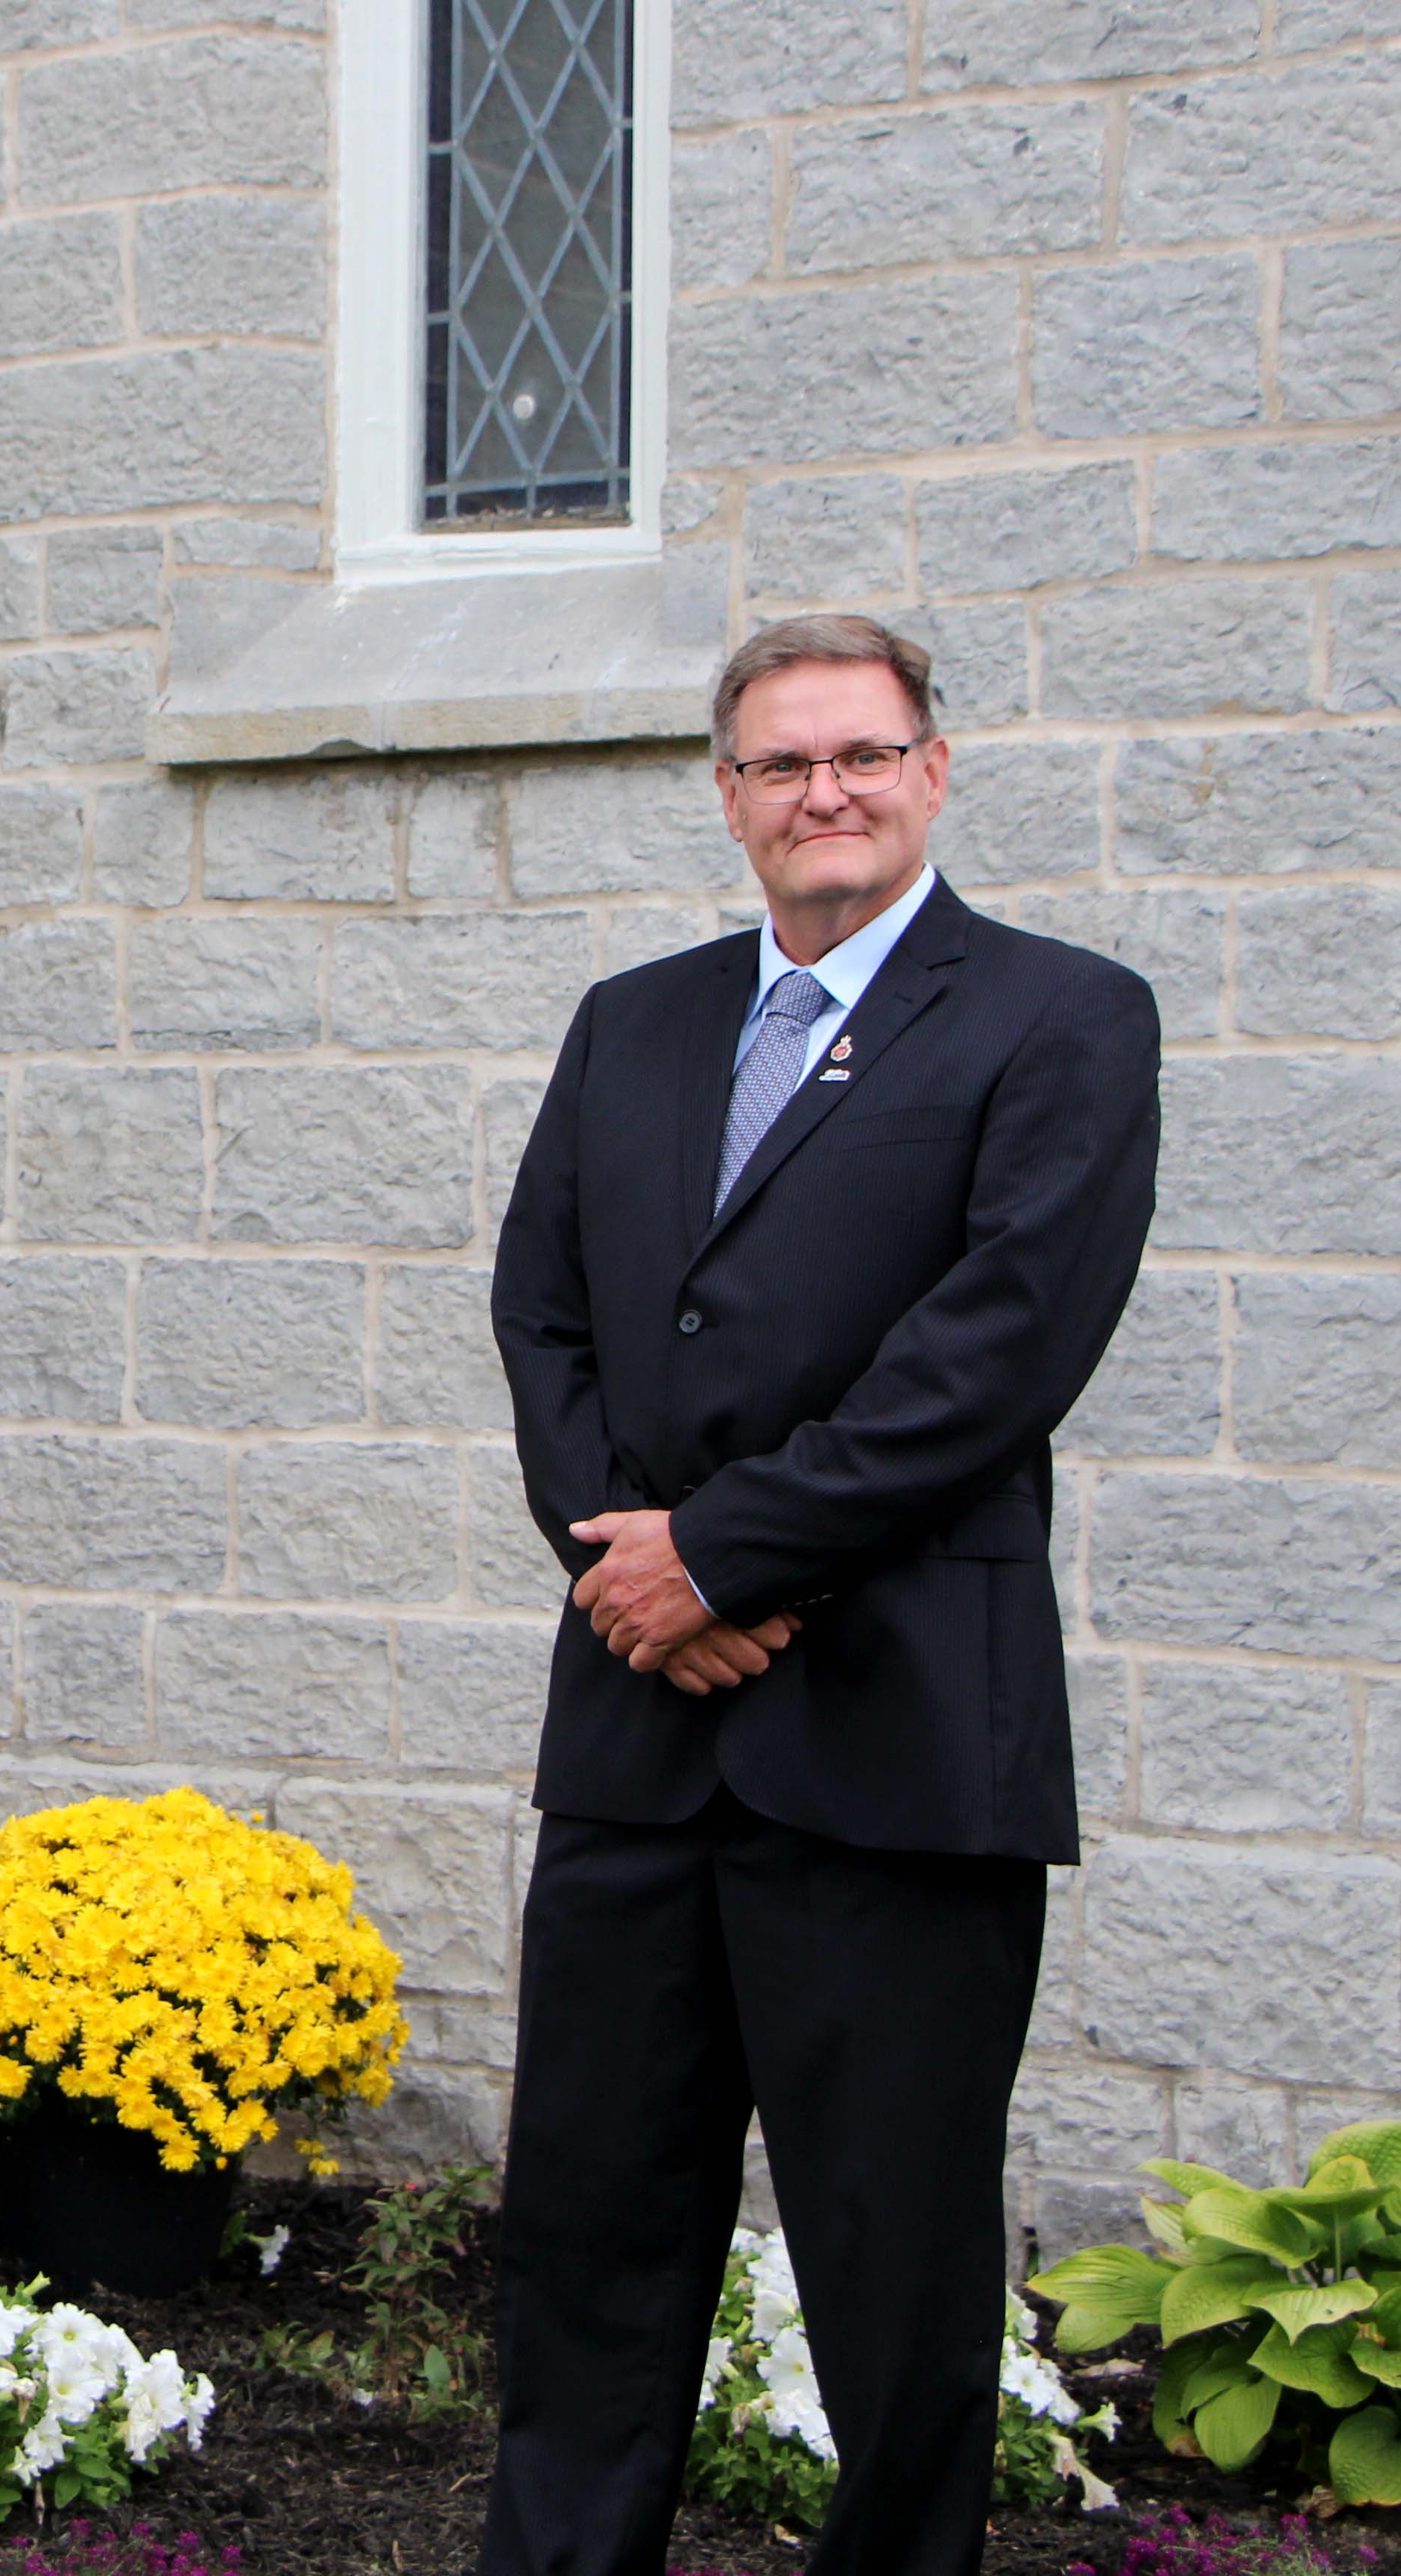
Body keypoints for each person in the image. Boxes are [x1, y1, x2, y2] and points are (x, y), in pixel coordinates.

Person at [478, 616, 1162, 2576]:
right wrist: (638, 1575)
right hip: (637, 1748)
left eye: (859, 756)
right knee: (590, 2254)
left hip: (893, 1751)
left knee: (898, 2279)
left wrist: (729, 1555)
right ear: (729, 797)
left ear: (934, 772)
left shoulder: (1059, 1021)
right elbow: (544, 1319)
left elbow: (1000, 1348)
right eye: (780, 766)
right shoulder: (636, 1020)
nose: (822, 795)